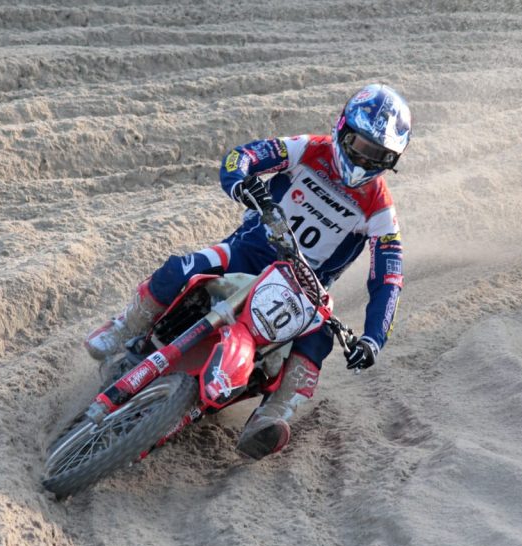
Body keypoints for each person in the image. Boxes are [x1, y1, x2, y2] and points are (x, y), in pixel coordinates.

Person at [84, 84, 409, 459]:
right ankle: (124, 326)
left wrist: (372, 340)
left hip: (302, 289)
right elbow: (242, 156)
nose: (364, 160)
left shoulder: (382, 211)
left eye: (378, 156)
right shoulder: (308, 148)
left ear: (391, 161)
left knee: (319, 341)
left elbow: (388, 278)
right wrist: (241, 181)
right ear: (343, 129)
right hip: (246, 253)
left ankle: (271, 416)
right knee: (180, 269)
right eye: (360, 146)